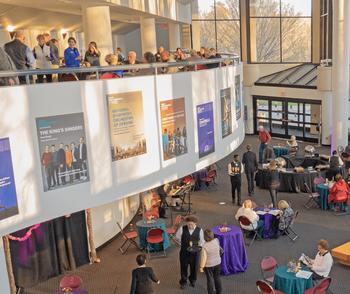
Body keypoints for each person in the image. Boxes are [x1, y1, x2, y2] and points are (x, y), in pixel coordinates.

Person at [176, 216, 205, 289]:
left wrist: (197, 248)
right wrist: (182, 244)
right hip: (184, 253)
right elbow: (177, 238)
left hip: (195, 253)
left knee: (194, 268)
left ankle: (193, 280)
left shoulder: (200, 230)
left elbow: (202, 242)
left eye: (191, 224)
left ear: (195, 223)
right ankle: (183, 281)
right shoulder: (182, 229)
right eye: (188, 224)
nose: (190, 226)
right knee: (183, 267)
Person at [199, 229, 222, 294]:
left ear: (204, 237)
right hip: (217, 262)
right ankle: (219, 291)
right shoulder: (216, 241)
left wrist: (201, 267)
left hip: (209, 265)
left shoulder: (204, 246)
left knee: (210, 279)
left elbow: (204, 258)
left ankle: (210, 292)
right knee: (217, 277)